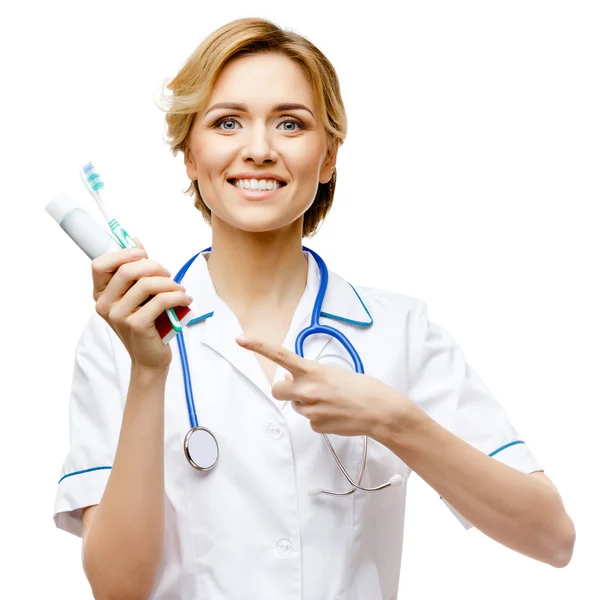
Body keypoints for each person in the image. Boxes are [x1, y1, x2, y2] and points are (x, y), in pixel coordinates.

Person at [53, 16, 575, 600]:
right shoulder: (119, 340)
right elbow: (117, 591)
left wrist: (395, 421)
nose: (258, 150)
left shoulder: (398, 332)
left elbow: (552, 538)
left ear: (328, 158)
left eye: (290, 124)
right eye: (228, 122)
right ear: (190, 158)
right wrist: (149, 373)